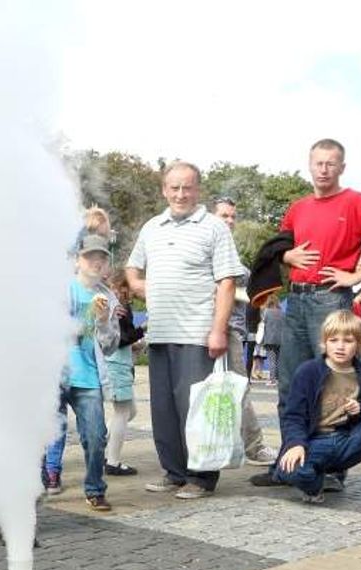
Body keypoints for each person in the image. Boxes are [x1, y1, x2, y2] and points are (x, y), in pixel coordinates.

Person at [125, 161, 245, 500]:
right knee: (164, 409)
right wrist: (138, 284)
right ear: (164, 190)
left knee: (195, 408)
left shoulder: (214, 228)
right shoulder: (152, 227)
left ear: (197, 190)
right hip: (160, 332)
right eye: (174, 187)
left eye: (187, 187)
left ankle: (201, 477)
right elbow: (132, 266)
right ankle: (174, 472)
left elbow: (226, 282)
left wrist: (218, 330)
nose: (180, 194)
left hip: (196, 332)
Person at [275, 140, 361, 414]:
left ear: (341, 168)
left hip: (329, 299)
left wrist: (357, 275)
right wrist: (287, 257)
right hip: (295, 299)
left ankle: (329, 451)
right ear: (310, 165)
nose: (323, 170)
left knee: (332, 378)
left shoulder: (355, 201)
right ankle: (293, 449)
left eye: (330, 164)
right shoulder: (298, 208)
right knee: (290, 380)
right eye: (318, 163)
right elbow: (277, 248)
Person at [268, 310, 361, 520]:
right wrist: (295, 443)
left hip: (349, 441)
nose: (340, 346)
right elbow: (292, 416)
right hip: (315, 442)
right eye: (334, 340)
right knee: (290, 470)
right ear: (324, 343)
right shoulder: (308, 371)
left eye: (348, 341)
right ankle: (316, 484)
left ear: (358, 344)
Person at [43, 235, 119, 511]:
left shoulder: (109, 297)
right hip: (55, 373)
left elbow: (110, 346)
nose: (96, 263)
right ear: (77, 260)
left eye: (101, 259)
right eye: (90, 257)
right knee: (47, 432)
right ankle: (39, 482)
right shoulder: (63, 289)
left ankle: (95, 488)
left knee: (96, 436)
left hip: (89, 377)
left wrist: (102, 322)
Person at [211, 196, 277, 466]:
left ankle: (254, 446)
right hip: (198, 329)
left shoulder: (233, 255)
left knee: (237, 388)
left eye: (232, 216)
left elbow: (245, 290)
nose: (229, 221)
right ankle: (206, 447)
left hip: (231, 331)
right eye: (223, 215)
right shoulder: (202, 249)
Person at [102, 268, 143, 477]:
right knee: (123, 412)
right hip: (116, 364)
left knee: (130, 411)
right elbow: (120, 339)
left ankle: (103, 445)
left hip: (119, 362)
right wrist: (143, 330)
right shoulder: (117, 307)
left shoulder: (117, 305)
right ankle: (113, 460)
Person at [260, 295, 284, 385]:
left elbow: (263, 324)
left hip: (269, 339)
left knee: (272, 360)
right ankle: (278, 378)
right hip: (280, 339)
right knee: (278, 360)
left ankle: (272, 379)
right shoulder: (282, 312)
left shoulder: (266, 312)